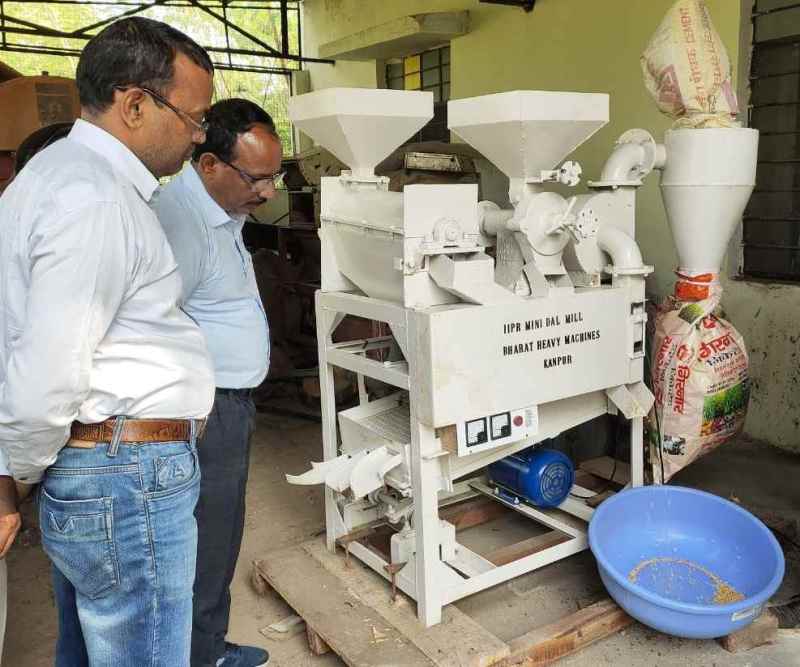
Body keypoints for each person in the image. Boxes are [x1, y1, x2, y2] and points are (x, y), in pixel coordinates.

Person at [0, 16, 216, 666]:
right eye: (195, 118)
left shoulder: (58, 177)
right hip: (127, 474)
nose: (199, 135)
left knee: (91, 648)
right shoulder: (93, 199)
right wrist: (14, 474)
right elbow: (46, 373)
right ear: (135, 104)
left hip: (107, 467)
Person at [153, 98, 282, 667]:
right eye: (257, 178)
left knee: (219, 532)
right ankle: (200, 656)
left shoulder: (221, 211)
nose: (268, 192)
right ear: (209, 164)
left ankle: (204, 646)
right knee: (208, 537)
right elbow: (152, 322)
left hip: (225, 402)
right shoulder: (180, 222)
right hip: (206, 407)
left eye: (274, 177)